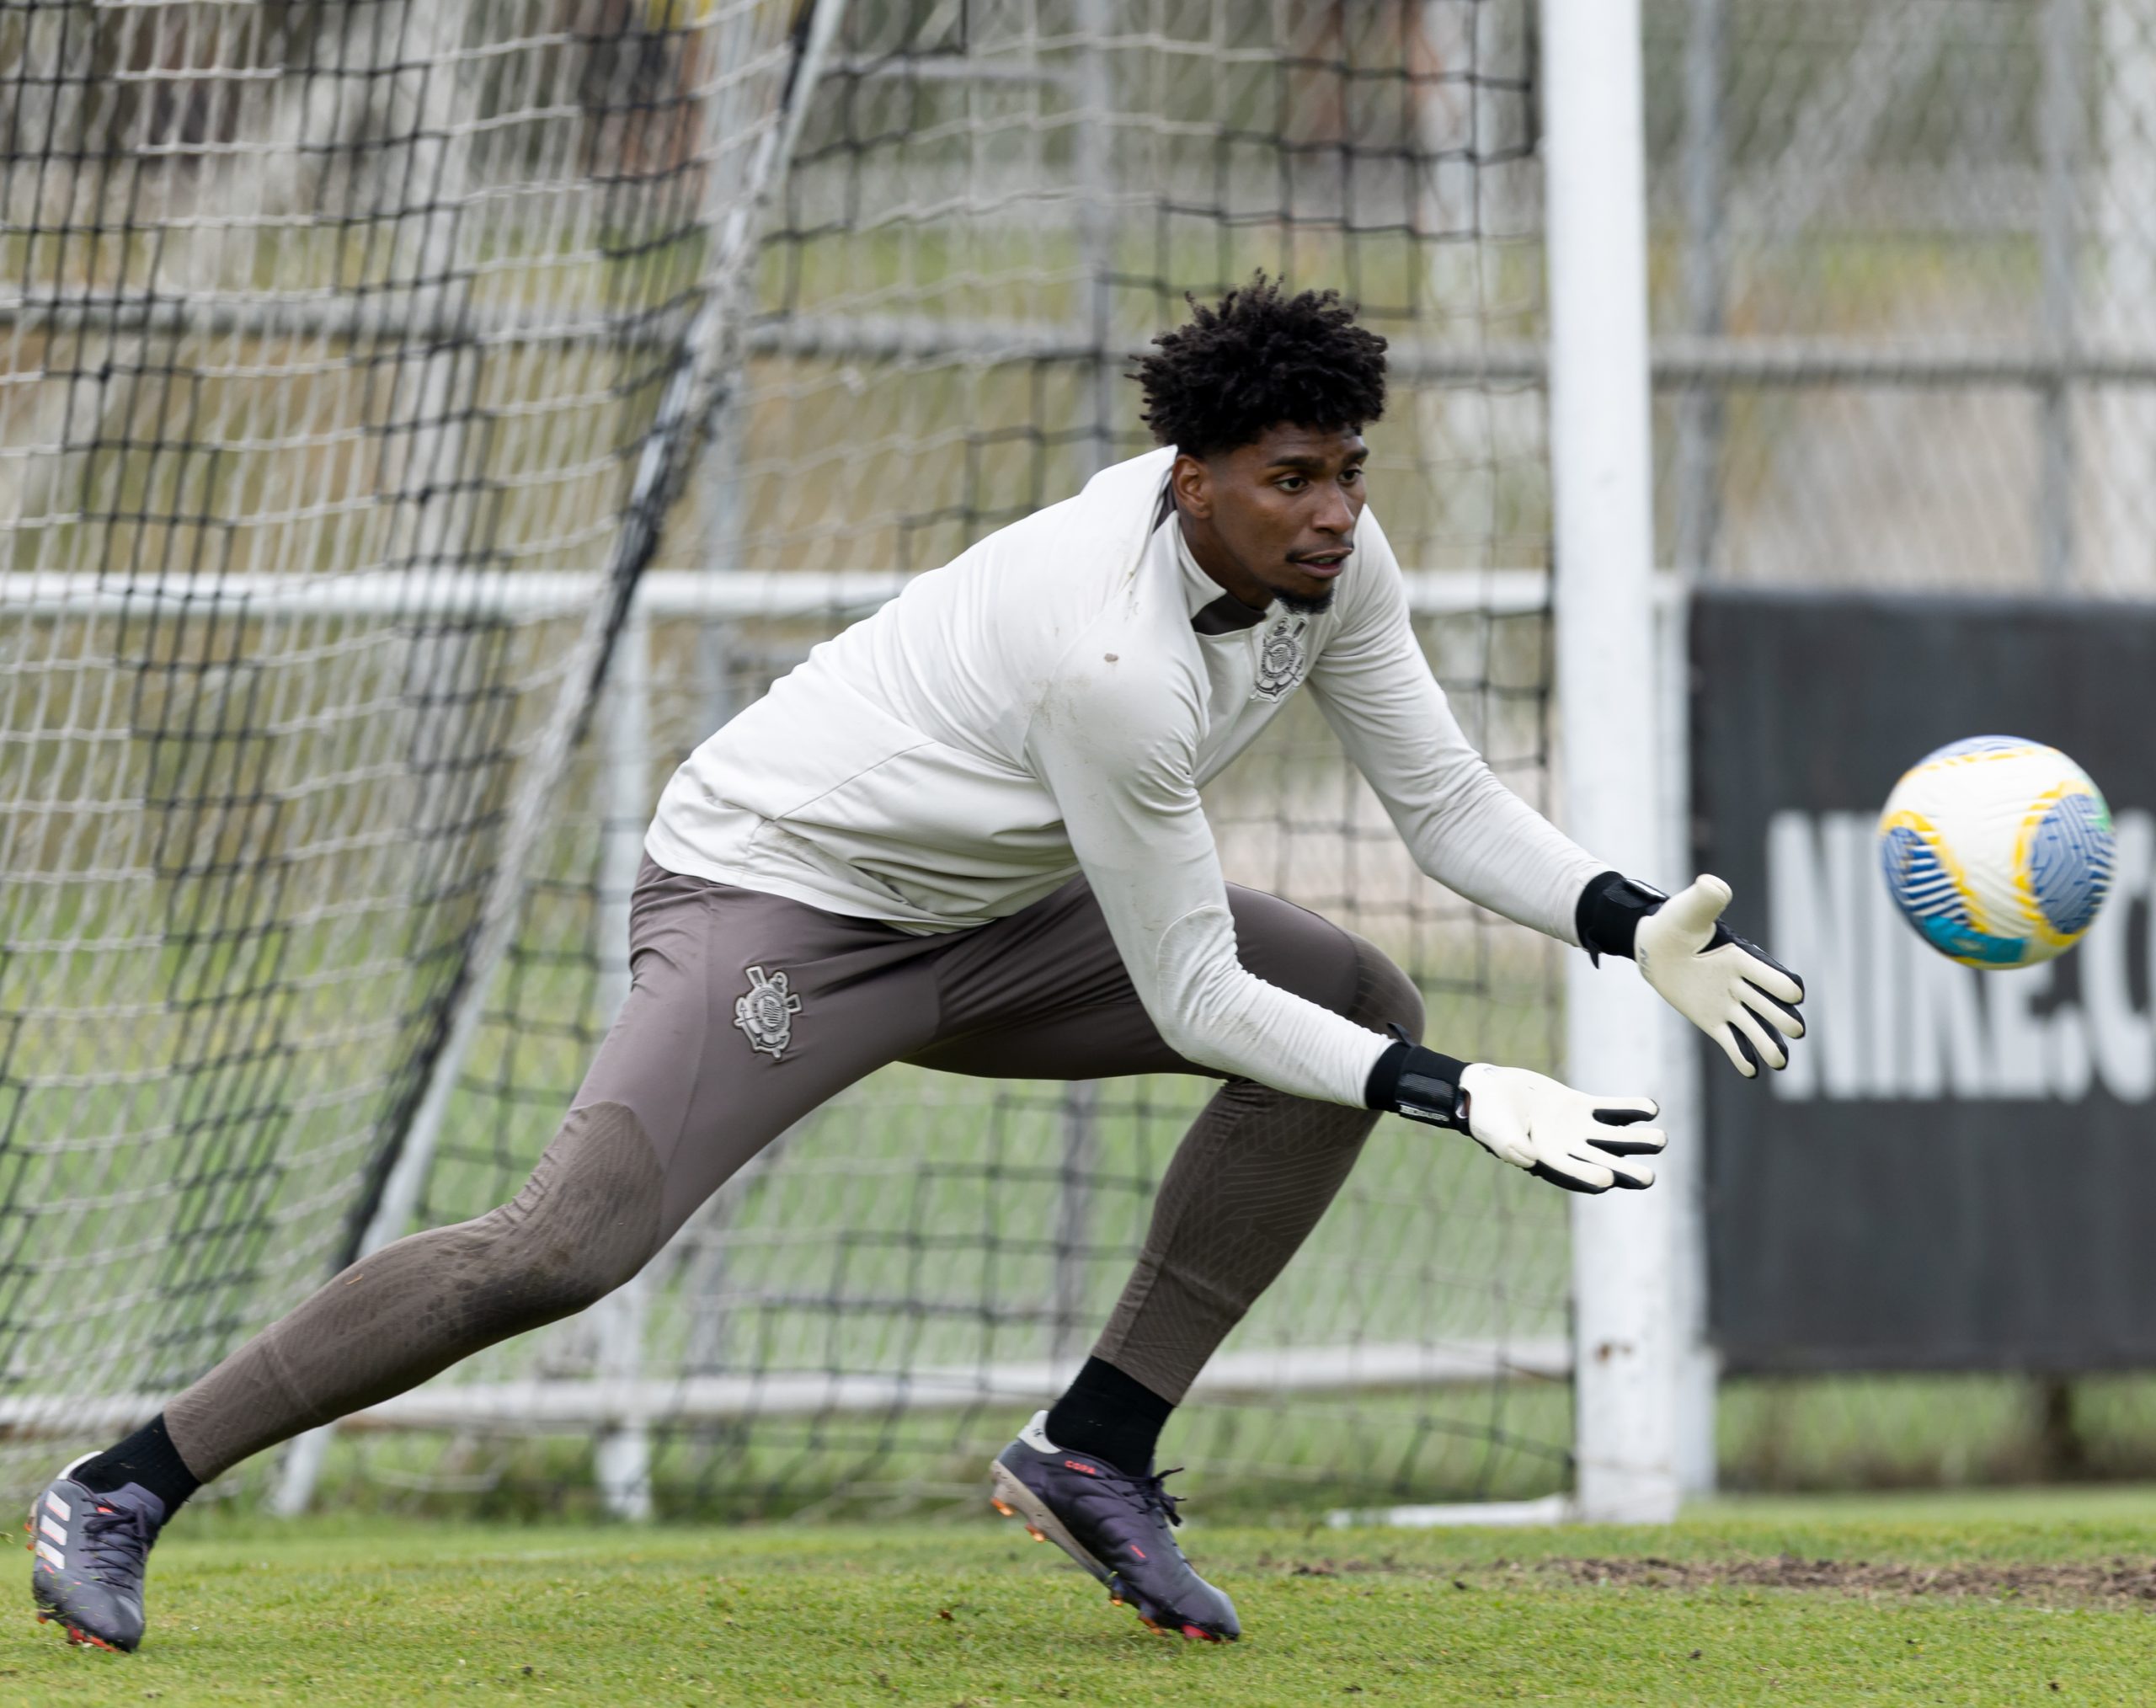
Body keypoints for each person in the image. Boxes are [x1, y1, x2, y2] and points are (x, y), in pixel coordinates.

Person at [29, 279, 1804, 1652]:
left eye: (1346, 472)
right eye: (1292, 480)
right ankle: (124, 1485)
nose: (1332, 512)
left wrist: (1622, 920)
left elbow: (1441, 803)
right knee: (566, 1245)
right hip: (783, 899)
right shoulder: (1103, 653)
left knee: (1352, 997)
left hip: (1007, 909)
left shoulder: (1333, 567)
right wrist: (1455, 1094)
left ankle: (1092, 1448)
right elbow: (1192, 996)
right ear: (1191, 482)